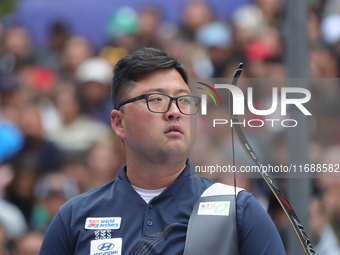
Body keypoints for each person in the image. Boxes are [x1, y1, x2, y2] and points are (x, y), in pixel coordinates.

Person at [39, 47, 285, 254]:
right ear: (118, 122)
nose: (175, 110)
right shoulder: (74, 216)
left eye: (184, 100)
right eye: (156, 99)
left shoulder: (238, 208)